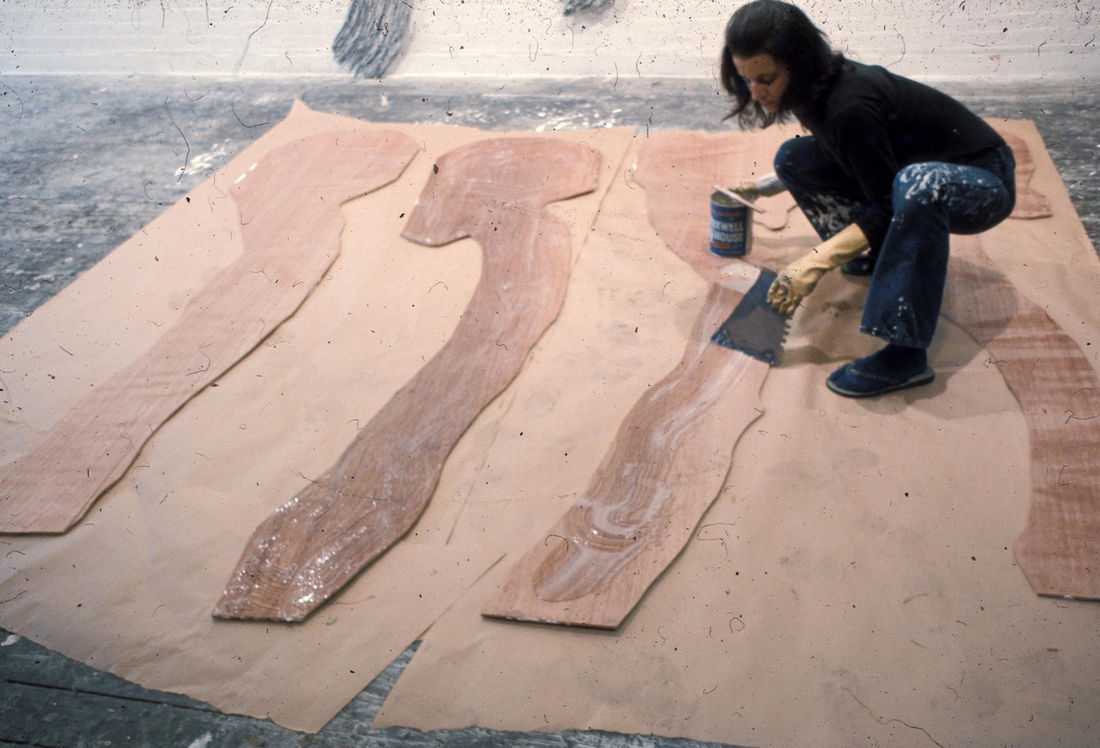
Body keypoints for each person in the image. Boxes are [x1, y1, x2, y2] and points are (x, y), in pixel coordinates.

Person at [721, 0, 1016, 397]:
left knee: (916, 184)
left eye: (766, 79)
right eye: (746, 80)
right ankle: (874, 254)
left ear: (798, 64)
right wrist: (765, 185)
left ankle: (905, 356)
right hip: (912, 177)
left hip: (983, 182)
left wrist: (815, 261)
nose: (755, 93)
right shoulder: (816, 91)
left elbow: (888, 198)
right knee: (793, 158)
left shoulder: (850, 105)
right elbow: (850, 154)